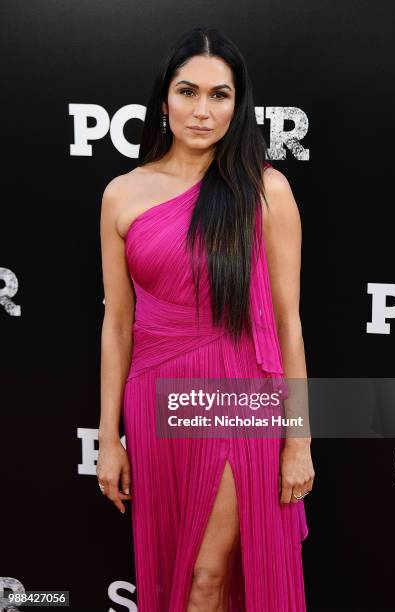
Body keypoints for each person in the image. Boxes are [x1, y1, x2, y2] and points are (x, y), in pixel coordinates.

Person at [96, 26, 314, 612]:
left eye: (220, 95)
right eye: (188, 91)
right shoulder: (123, 193)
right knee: (172, 566)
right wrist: (108, 438)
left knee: (205, 577)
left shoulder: (265, 190)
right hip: (152, 400)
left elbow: (288, 323)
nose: (202, 110)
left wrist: (298, 437)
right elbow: (117, 324)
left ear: (239, 105)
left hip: (238, 396)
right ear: (164, 99)